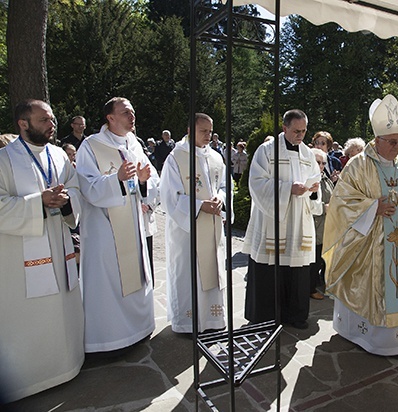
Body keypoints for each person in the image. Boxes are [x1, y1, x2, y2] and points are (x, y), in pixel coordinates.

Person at [322, 94, 398, 356]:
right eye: (393, 142)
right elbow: (343, 201)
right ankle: (370, 338)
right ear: (378, 140)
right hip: (371, 244)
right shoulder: (359, 165)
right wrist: (374, 208)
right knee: (371, 288)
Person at [0, 99, 84, 402]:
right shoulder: (4, 160)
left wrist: (66, 201)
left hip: (58, 242)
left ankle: (65, 364)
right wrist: (38, 202)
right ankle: (30, 376)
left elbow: (75, 188)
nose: (52, 126)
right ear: (23, 124)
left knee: (60, 306)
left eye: (52, 120)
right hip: (20, 257)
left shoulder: (59, 156)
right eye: (43, 121)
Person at [76, 97, 156, 353]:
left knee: (136, 276)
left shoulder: (135, 144)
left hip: (132, 223)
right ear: (110, 118)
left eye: (133, 111)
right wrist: (117, 179)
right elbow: (87, 186)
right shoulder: (91, 146)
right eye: (125, 112)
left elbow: (151, 181)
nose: (132, 116)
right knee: (109, 280)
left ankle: (138, 330)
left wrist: (144, 182)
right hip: (105, 229)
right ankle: (110, 340)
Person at [243, 109, 321, 330]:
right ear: (284, 127)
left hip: (298, 221)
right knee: (271, 267)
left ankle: (295, 315)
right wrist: (288, 190)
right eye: (296, 131)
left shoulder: (307, 154)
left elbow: (315, 183)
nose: (300, 135)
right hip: (273, 221)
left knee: (297, 269)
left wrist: (313, 191)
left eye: (304, 131)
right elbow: (256, 183)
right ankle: (265, 316)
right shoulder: (266, 151)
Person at [161, 113, 228, 333]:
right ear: (190, 130)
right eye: (203, 131)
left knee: (211, 268)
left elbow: (224, 187)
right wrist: (199, 206)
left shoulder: (216, 158)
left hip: (211, 226)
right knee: (188, 272)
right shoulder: (176, 157)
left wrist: (221, 198)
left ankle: (211, 320)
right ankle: (188, 323)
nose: (208, 135)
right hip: (187, 230)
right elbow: (170, 195)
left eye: (210, 131)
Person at [309, 147, 335, 301]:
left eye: (323, 162)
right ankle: (310, 289)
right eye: (317, 162)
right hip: (313, 227)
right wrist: (324, 207)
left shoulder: (325, 178)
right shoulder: (311, 179)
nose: (320, 165)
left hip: (325, 228)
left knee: (320, 259)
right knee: (312, 262)